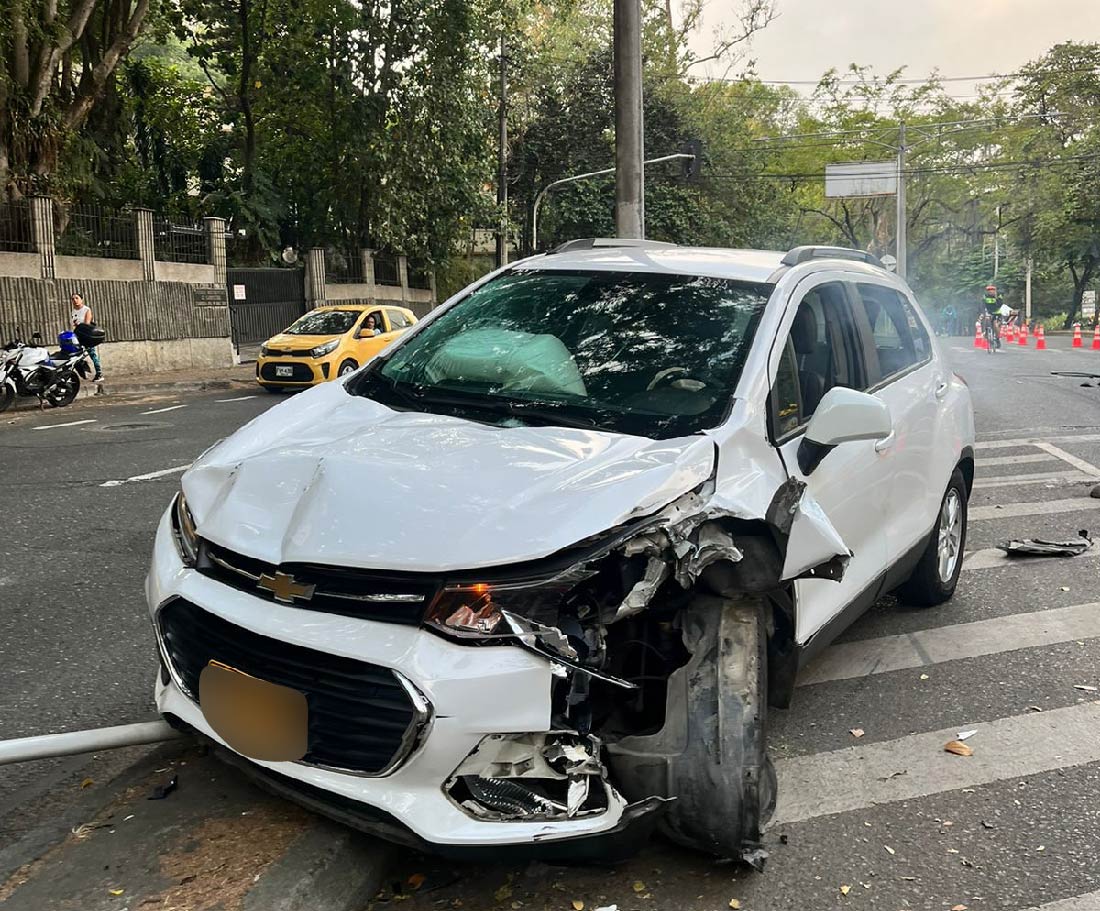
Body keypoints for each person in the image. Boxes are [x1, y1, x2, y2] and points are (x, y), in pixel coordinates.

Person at [70, 292, 102, 380]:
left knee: (92, 354)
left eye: (77, 298)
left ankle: (99, 373)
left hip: (86, 335)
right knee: (76, 354)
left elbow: (87, 324)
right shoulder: (73, 310)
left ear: (81, 299)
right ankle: (83, 371)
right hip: (77, 335)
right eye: (73, 299)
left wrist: (79, 324)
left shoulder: (86, 309)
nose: (75, 300)